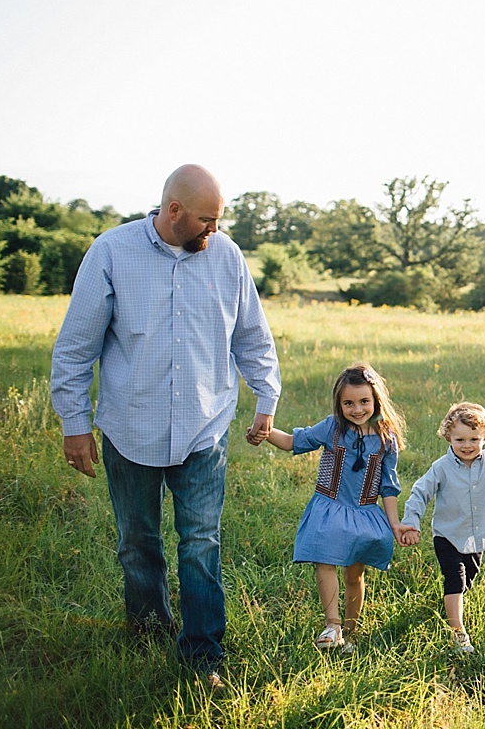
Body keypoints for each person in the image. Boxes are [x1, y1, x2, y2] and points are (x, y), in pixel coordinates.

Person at [50, 163, 281, 687]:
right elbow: (76, 347)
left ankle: (203, 655)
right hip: (130, 429)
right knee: (138, 542)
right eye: (206, 220)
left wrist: (266, 397)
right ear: (173, 211)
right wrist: (74, 423)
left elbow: (252, 336)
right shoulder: (111, 252)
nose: (214, 231)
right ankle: (149, 631)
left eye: (218, 221)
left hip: (204, 428)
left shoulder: (226, 257)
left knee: (200, 541)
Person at [255, 363, 408, 652]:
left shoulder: (386, 439)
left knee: (354, 574)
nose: (357, 409)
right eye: (348, 403)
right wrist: (264, 430)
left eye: (364, 401)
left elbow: (388, 487)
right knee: (324, 563)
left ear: (376, 400)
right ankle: (332, 625)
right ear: (339, 404)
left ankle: (348, 634)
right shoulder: (333, 428)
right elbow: (291, 442)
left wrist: (394, 523)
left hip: (363, 512)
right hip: (329, 507)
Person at [399, 402, 485, 653]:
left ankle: (450, 605)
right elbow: (420, 492)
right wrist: (410, 522)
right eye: (459, 439)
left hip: (476, 537)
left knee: (467, 581)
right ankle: (458, 633)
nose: (467, 445)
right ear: (448, 437)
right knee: (455, 579)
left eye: (474, 439)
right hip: (448, 535)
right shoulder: (441, 467)